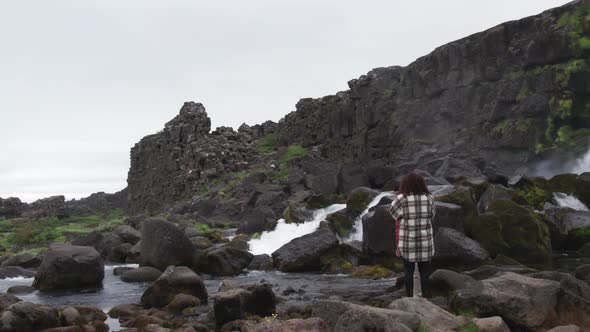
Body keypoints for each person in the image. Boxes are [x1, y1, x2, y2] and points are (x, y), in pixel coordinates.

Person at [389, 172, 436, 298]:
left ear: (405, 184)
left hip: (407, 241)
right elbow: (432, 215)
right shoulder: (429, 198)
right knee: (425, 272)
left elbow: (393, 213)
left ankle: (409, 298)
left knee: (408, 271)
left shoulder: (402, 198)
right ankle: (426, 298)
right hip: (425, 241)